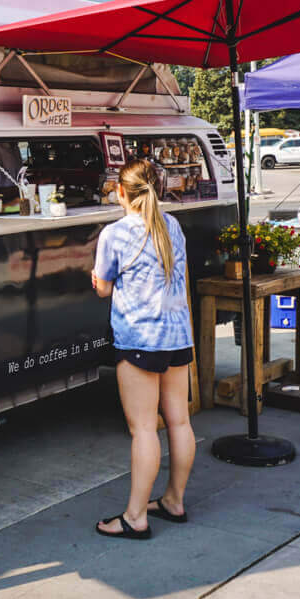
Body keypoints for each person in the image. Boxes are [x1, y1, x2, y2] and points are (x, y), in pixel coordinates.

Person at [90, 159, 194, 540]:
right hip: (178, 335)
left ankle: (135, 516)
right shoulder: (174, 226)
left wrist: (100, 283)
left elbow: (103, 286)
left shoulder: (114, 234)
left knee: (145, 428)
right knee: (180, 422)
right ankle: (174, 500)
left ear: (121, 191)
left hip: (140, 340)